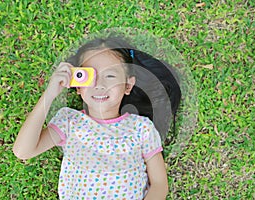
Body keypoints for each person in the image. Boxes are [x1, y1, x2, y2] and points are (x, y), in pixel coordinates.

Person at [13, 36, 181, 199]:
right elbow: (23, 151)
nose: (100, 85)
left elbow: (159, 184)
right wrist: (49, 94)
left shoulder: (141, 128)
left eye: (110, 76)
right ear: (78, 86)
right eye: (90, 76)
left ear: (128, 85)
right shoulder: (69, 122)